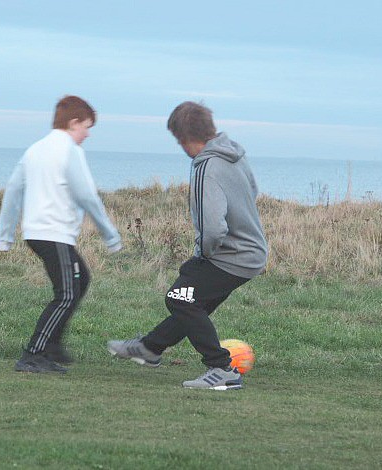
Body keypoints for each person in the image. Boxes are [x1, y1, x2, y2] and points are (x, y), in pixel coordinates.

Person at [107, 101, 267, 390]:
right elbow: (253, 191)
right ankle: (150, 348)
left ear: (183, 139)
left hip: (229, 255)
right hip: (251, 252)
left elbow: (212, 226)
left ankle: (221, 369)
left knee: (179, 298)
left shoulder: (207, 166)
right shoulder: (234, 154)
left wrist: (202, 255)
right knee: (192, 303)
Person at [0, 95, 122, 374]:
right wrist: (110, 235)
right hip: (55, 234)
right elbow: (87, 195)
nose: (87, 134)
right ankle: (32, 355)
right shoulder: (69, 150)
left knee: (81, 280)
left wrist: (4, 235)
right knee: (65, 294)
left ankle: (51, 346)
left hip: (36, 233)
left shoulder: (35, 149)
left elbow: (13, 190)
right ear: (73, 122)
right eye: (86, 127)